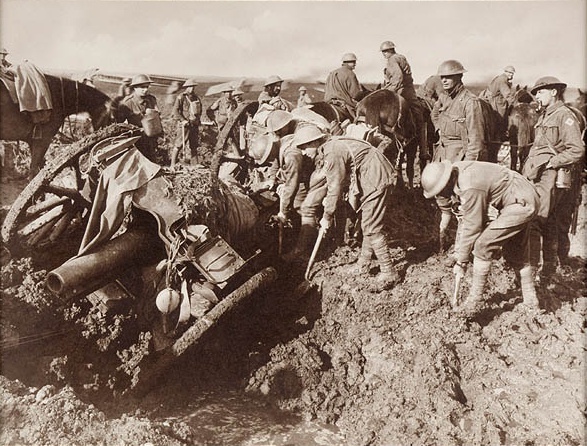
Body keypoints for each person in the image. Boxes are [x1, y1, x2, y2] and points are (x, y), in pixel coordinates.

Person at [421, 160, 540, 315]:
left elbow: (473, 225)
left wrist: (461, 260)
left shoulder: (470, 185)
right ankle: (531, 301)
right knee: (517, 250)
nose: (441, 195)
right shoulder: (457, 172)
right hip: (521, 196)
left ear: (447, 181)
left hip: (520, 201)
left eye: (441, 191)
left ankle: (475, 300)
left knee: (483, 245)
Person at [521, 76, 585, 282]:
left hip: (551, 177)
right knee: (546, 221)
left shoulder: (564, 116)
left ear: (554, 92)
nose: (537, 95)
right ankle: (547, 268)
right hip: (537, 175)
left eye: (541, 91)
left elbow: (577, 149)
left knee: (538, 220)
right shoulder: (546, 116)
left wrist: (553, 162)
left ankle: (536, 270)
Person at [431, 60, 487, 251]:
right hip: (443, 156)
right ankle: (442, 238)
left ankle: (461, 249)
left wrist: (468, 167)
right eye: (442, 77)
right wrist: (439, 128)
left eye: (449, 77)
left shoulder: (470, 102)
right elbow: (435, 114)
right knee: (442, 199)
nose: (444, 80)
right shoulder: (445, 98)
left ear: (459, 77)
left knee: (461, 205)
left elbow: (476, 139)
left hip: (460, 159)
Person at [380, 41, 427, 159]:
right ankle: (423, 150)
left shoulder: (392, 60)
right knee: (420, 119)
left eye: (385, 51)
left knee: (419, 116)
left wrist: (390, 92)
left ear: (390, 50)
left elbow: (398, 77)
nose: (384, 54)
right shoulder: (400, 58)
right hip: (407, 92)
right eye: (383, 52)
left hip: (404, 92)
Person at [115, 74, 161, 162]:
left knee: (152, 161)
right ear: (135, 88)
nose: (145, 89)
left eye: (147, 87)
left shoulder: (152, 100)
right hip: (137, 140)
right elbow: (119, 123)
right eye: (142, 87)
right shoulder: (128, 103)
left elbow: (157, 116)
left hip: (151, 138)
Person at [170, 78, 202, 167]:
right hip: (185, 125)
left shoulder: (196, 98)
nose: (191, 89)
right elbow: (175, 111)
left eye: (193, 87)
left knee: (194, 145)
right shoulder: (181, 97)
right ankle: (172, 164)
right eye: (190, 87)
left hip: (194, 124)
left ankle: (195, 164)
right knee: (179, 144)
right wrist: (182, 120)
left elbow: (200, 110)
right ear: (186, 87)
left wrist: (198, 120)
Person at [324, 53, 363, 120]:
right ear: (348, 62)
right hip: (343, 103)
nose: (355, 64)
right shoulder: (350, 74)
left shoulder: (332, 73)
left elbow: (326, 88)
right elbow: (355, 94)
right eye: (353, 62)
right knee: (359, 119)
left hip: (328, 101)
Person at [484, 65, 516, 139]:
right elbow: (507, 94)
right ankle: (500, 135)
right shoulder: (502, 80)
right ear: (506, 72)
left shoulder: (501, 78)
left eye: (512, 73)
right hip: (496, 101)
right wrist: (515, 103)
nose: (511, 75)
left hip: (494, 98)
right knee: (501, 117)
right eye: (510, 73)